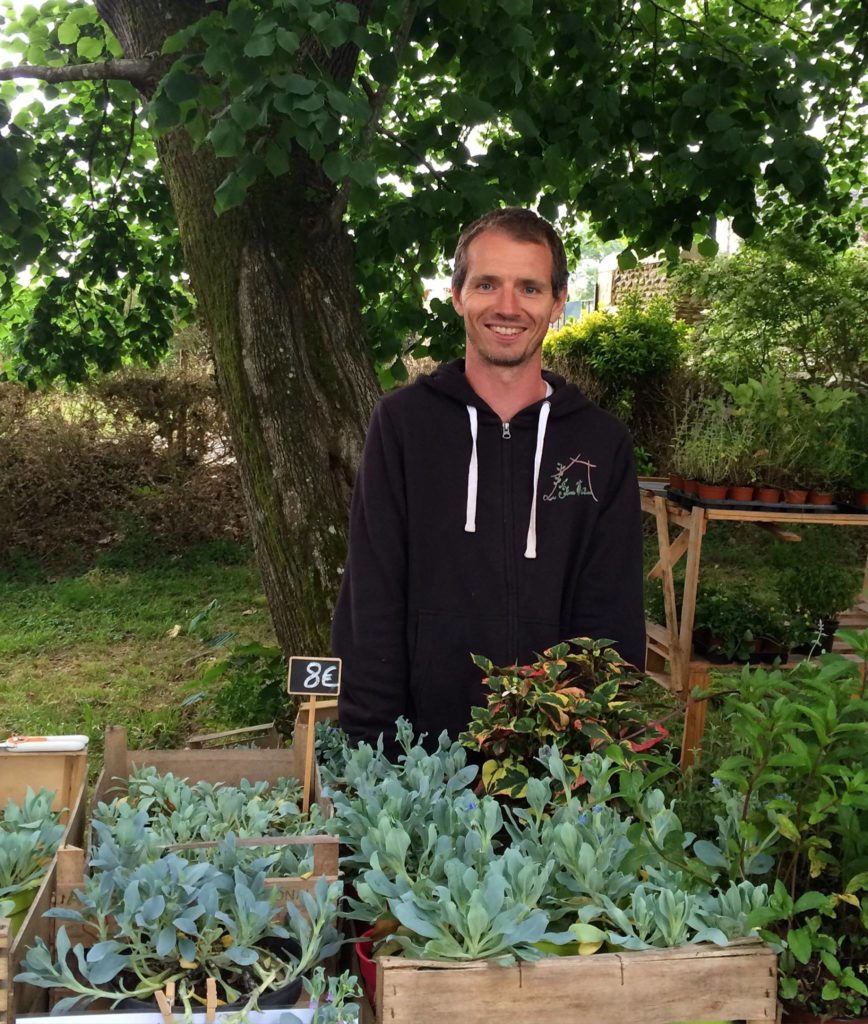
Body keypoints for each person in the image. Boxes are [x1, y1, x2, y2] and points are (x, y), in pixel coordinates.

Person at [332, 207, 645, 757]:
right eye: (487, 284)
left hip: (552, 765)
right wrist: (374, 749)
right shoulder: (404, 425)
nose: (507, 306)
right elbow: (372, 594)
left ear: (557, 301)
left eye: (529, 287)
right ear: (457, 295)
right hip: (420, 759)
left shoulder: (600, 442)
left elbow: (612, 612)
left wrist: (592, 750)